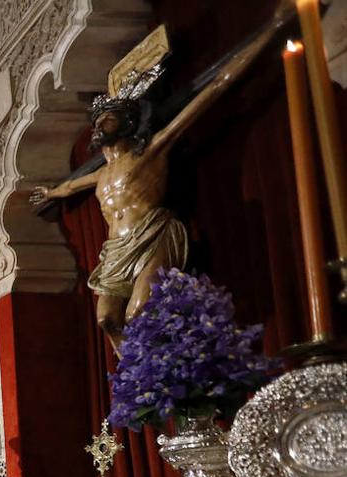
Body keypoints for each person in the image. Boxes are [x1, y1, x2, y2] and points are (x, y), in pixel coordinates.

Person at [29, 8, 290, 350]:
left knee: (139, 313)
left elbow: (214, 89)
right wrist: (51, 192)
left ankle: (157, 374)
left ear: (125, 123)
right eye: (96, 122)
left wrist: (273, 27)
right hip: (115, 250)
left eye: (106, 120)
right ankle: (137, 381)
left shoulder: (150, 150)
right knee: (107, 318)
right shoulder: (100, 174)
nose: (97, 127)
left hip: (152, 232)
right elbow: (67, 188)